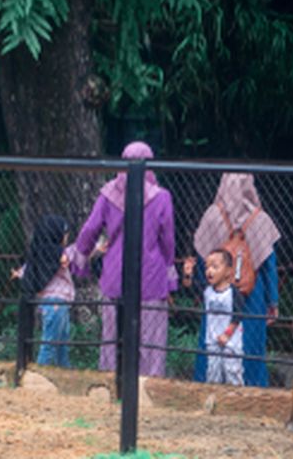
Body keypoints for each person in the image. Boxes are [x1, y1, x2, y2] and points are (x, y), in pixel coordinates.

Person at [74, 141, 176, 378]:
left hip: (115, 274)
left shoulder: (108, 194)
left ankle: (111, 383)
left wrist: (81, 260)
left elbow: (90, 229)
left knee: (113, 335)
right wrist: (169, 273)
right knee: (150, 339)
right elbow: (168, 240)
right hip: (150, 275)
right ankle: (147, 386)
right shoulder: (161, 197)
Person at [186, 172, 281, 386]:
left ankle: (206, 385)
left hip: (217, 289)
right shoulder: (261, 220)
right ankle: (251, 388)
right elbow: (269, 267)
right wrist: (272, 301)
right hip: (252, 293)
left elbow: (203, 258)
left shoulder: (212, 215)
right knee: (251, 343)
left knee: (211, 338)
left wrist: (204, 285)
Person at [13, 214, 90, 368]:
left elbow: (29, 269)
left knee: (60, 342)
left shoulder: (40, 253)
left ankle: (65, 371)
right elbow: (76, 251)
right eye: (65, 234)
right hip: (57, 304)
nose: (66, 237)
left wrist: (18, 273)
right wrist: (95, 248)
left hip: (53, 305)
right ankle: (41, 372)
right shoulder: (60, 254)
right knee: (50, 343)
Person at [188, 247, 246, 385]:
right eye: (207, 267)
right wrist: (188, 274)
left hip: (231, 342)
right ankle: (214, 398)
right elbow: (189, 287)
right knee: (213, 372)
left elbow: (238, 315)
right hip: (213, 340)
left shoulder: (233, 293)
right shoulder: (207, 290)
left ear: (228, 271)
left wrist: (227, 334)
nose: (209, 271)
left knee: (232, 370)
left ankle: (235, 399)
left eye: (215, 267)